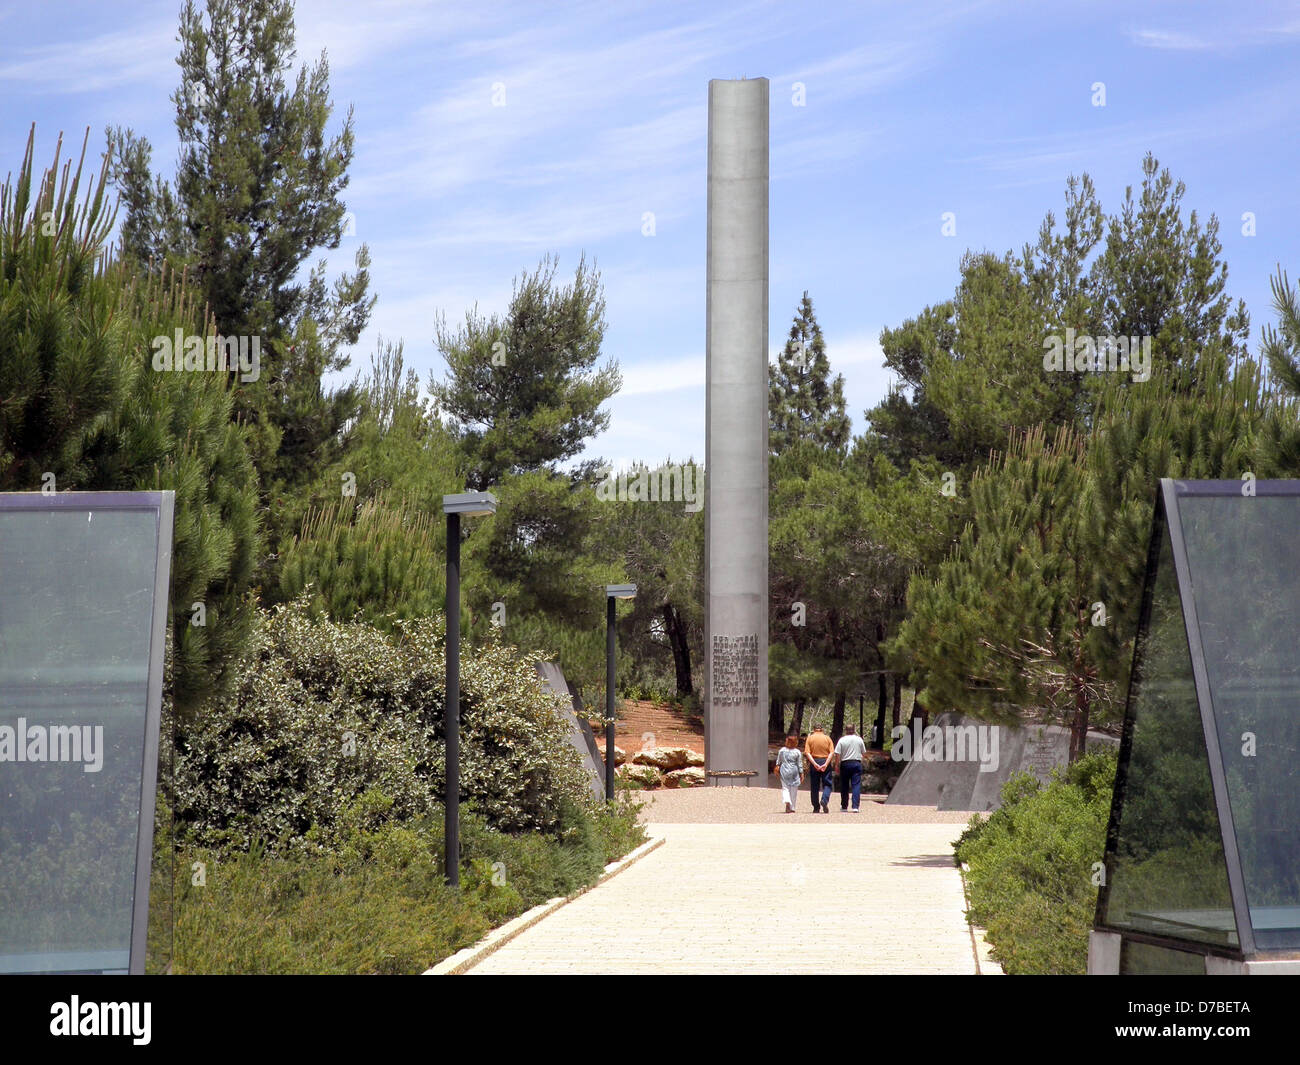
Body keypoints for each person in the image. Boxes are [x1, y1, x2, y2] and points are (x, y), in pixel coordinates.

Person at [834, 724, 868, 812]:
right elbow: (864, 753)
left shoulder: (842, 740)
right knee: (856, 785)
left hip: (845, 763)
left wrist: (836, 765)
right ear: (854, 730)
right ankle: (855, 806)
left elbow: (837, 754)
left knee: (844, 785)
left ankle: (844, 806)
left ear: (846, 730)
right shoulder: (859, 739)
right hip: (856, 763)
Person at [804, 725, 834, 814]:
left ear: (814, 729)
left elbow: (807, 753)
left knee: (814, 786)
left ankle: (816, 807)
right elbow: (832, 752)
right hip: (825, 760)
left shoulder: (810, 738)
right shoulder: (827, 738)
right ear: (822, 729)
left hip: (815, 760)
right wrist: (826, 764)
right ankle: (824, 800)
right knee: (827, 784)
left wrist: (814, 764)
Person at [775, 735, 803, 813]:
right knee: (794, 789)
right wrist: (801, 773)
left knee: (785, 788)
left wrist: (777, 767)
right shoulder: (797, 752)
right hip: (794, 771)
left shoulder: (782, 750)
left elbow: (778, 761)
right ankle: (792, 807)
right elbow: (799, 763)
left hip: (784, 770)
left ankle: (787, 800)